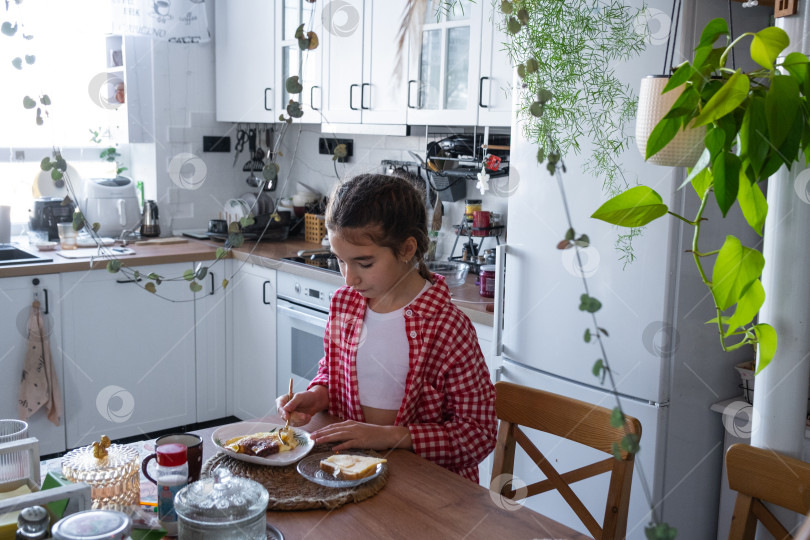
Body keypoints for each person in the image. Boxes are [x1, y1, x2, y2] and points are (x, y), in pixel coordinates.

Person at [276, 173, 496, 482]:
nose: (349, 279)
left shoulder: (447, 327)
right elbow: (334, 371)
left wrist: (389, 437)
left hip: (427, 488)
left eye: (364, 264)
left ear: (407, 249)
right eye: (340, 261)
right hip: (350, 473)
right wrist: (317, 394)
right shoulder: (346, 304)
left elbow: (478, 435)